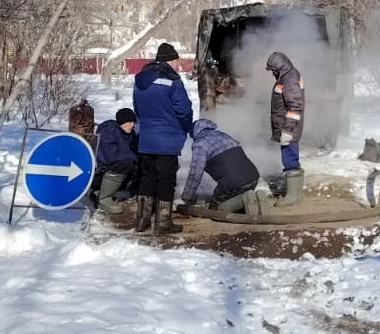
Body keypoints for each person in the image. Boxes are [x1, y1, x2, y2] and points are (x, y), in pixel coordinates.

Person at [133, 42, 194, 234]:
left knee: (147, 178)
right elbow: (183, 109)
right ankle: (163, 222)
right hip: (167, 138)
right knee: (166, 179)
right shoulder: (172, 80)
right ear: (170, 60)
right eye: (177, 60)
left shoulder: (140, 79)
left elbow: (136, 107)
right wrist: (186, 126)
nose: (178, 65)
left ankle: (142, 220)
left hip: (146, 136)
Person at [178, 118, 265, 217]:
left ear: (194, 132)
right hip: (253, 177)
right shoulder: (224, 135)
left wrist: (186, 197)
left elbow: (195, 174)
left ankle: (242, 200)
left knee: (214, 210)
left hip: (233, 183)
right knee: (240, 201)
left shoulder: (200, 144)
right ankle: (256, 200)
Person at [265, 51, 305, 207]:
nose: (272, 73)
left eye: (273, 69)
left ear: (279, 67)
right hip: (286, 128)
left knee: (289, 160)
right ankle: (294, 192)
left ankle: (293, 197)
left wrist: (287, 130)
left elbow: (295, 107)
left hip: (289, 130)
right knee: (290, 159)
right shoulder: (286, 76)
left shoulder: (290, 79)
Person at [92, 108, 139, 216]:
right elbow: (110, 156)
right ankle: (103, 198)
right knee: (126, 163)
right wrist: (133, 158)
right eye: (129, 122)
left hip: (112, 170)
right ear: (122, 122)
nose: (132, 125)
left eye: (133, 122)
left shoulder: (129, 135)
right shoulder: (109, 132)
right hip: (100, 171)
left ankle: (117, 191)